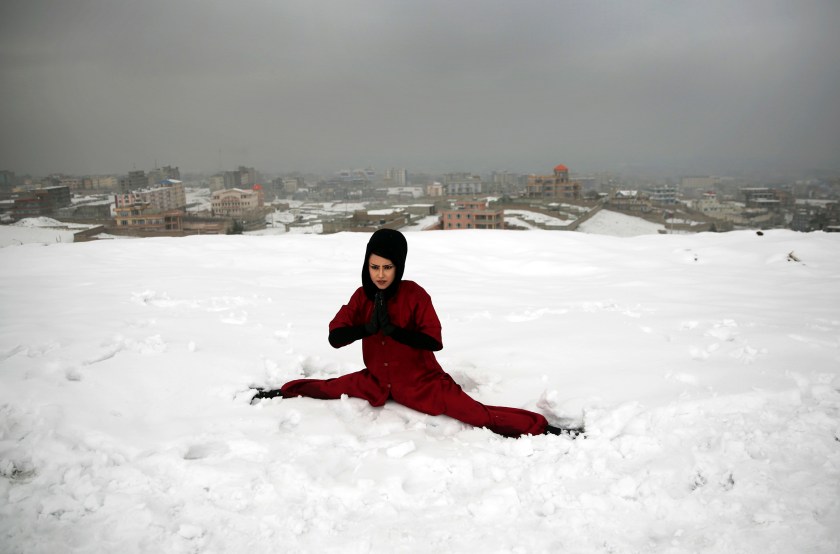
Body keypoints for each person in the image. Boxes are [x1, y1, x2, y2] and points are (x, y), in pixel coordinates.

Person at [253, 229, 578, 438]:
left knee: (478, 415)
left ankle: (544, 428)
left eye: (387, 267)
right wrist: (365, 328)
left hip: (422, 385)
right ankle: (281, 392)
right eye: (374, 267)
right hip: (377, 382)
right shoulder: (361, 296)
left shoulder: (415, 295)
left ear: (400, 267)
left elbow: (433, 341)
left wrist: (395, 331)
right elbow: (335, 337)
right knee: (328, 387)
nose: (380, 275)